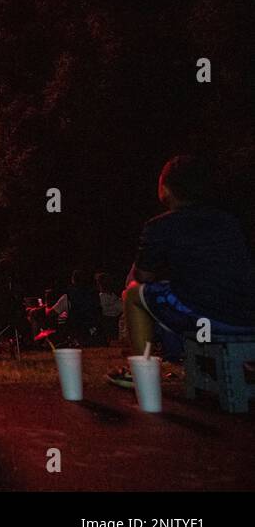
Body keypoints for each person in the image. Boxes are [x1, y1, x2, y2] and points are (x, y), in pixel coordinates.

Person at [108, 156, 255, 387]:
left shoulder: (160, 225)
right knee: (174, 295)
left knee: (134, 295)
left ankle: (141, 371)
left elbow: (142, 277)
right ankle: (201, 361)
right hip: (245, 317)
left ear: (165, 190)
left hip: (207, 316)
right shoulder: (229, 221)